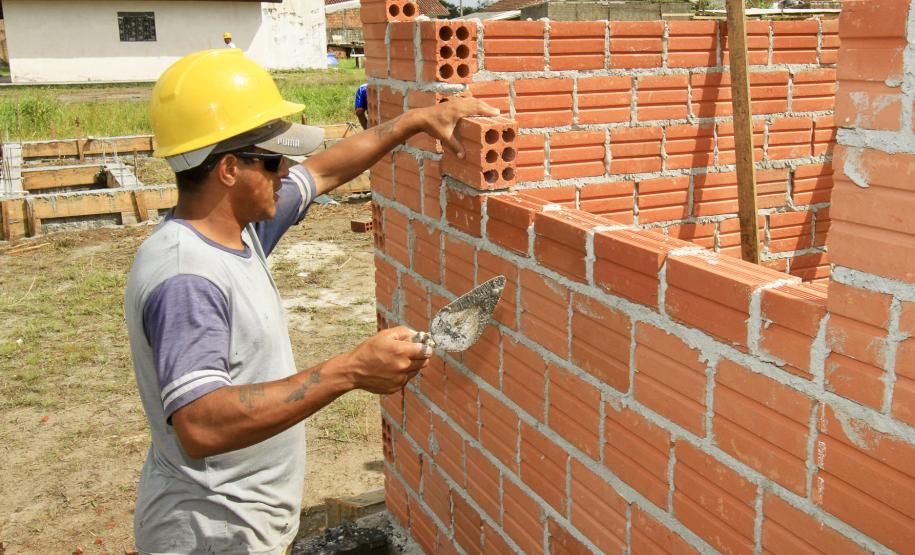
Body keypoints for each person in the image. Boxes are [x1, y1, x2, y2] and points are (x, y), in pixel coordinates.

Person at [124, 48, 497, 554]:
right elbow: (200, 423)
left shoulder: (238, 230)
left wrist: (414, 122)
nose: (287, 172)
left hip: (243, 520)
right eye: (275, 161)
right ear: (230, 169)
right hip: (213, 533)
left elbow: (322, 173)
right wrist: (349, 371)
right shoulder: (187, 277)